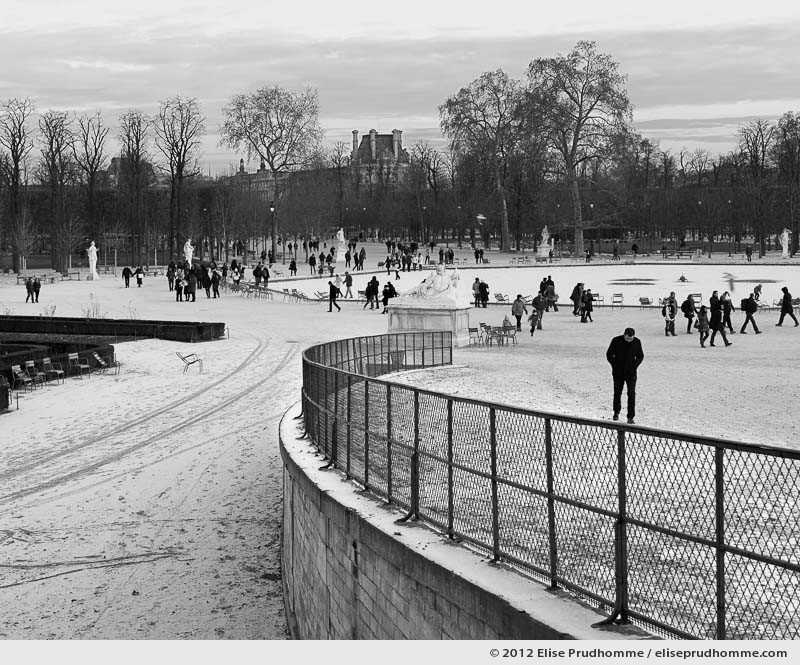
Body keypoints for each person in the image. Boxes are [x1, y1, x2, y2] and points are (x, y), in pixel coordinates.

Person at [606, 327, 644, 425]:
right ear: (624, 335)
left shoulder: (637, 342)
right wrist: (615, 365)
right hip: (618, 372)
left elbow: (640, 356)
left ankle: (630, 416)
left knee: (631, 394)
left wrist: (634, 366)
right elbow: (609, 354)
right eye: (627, 338)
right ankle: (616, 412)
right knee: (617, 393)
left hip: (631, 373)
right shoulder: (616, 340)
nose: (629, 341)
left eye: (631, 339)